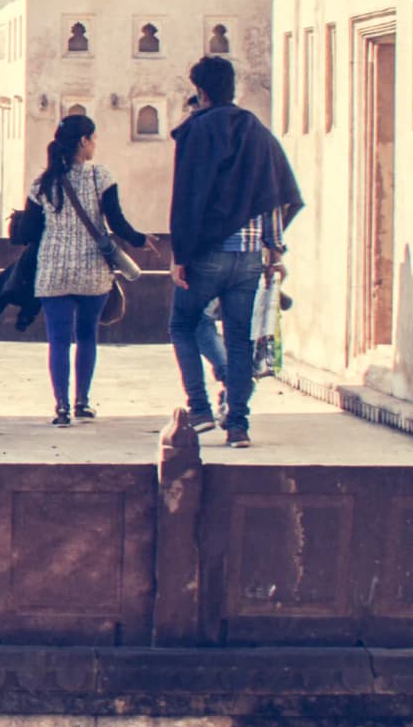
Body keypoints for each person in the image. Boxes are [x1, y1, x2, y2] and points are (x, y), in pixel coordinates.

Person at [166, 53, 303, 446]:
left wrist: (181, 255)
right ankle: (239, 425)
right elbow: (275, 191)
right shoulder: (256, 130)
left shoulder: (197, 131)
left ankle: (200, 409)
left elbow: (188, 197)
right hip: (248, 259)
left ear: (201, 91)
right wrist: (274, 250)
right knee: (240, 339)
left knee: (183, 325)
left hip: (207, 253)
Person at [24, 110, 144, 426]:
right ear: (83, 141)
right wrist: (141, 239)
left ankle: (61, 407)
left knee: (58, 340)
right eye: (93, 139)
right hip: (93, 273)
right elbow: (116, 221)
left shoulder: (41, 183)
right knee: (87, 336)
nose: (95, 146)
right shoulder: (99, 176)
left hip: (53, 273)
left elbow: (27, 233)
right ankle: (82, 402)